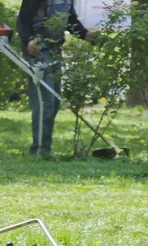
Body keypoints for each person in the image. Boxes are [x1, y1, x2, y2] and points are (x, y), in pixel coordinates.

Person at [17, 0, 93, 156]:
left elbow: (70, 20)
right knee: (45, 102)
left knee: (55, 102)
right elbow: (23, 21)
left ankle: (44, 147)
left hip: (54, 50)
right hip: (37, 50)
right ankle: (39, 151)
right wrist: (29, 40)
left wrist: (86, 34)